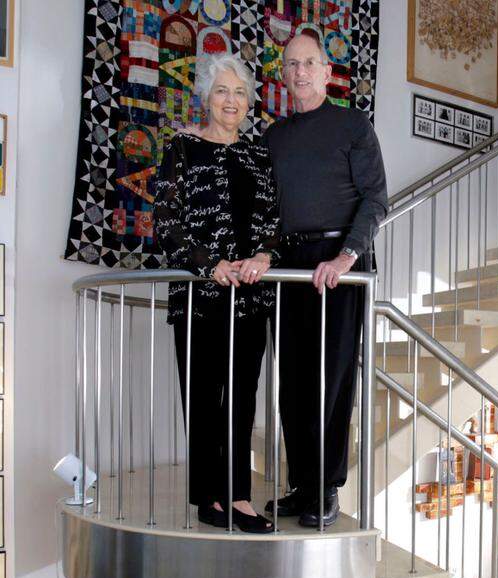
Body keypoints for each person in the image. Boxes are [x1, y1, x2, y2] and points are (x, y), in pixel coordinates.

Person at [262, 31, 388, 527]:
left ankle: (327, 488)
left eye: (309, 63)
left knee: (331, 379)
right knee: (292, 380)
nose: (300, 72)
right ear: (284, 74)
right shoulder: (275, 135)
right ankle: (301, 485)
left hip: (339, 265)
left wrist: (346, 257)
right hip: (289, 265)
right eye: (291, 64)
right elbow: (267, 208)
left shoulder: (353, 124)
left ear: (327, 71)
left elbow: (375, 198)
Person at [154, 53, 277, 534]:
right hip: (199, 299)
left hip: (250, 299)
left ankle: (240, 495)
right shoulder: (181, 148)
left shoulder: (259, 156)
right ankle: (209, 498)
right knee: (203, 397)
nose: (231, 100)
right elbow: (165, 222)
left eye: (240, 92)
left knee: (242, 398)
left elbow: (272, 222)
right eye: (222, 91)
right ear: (206, 97)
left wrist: (263, 257)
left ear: (248, 103)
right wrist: (210, 265)